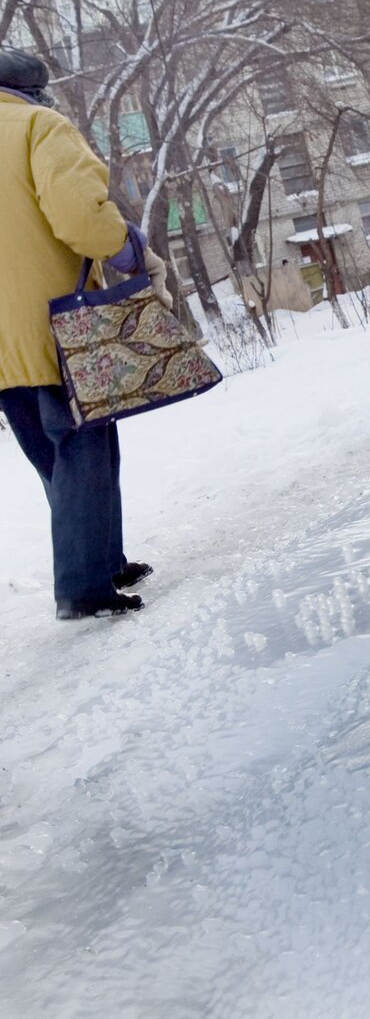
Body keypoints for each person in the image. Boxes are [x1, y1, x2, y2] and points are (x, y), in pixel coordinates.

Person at [0, 47, 167, 620]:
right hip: (50, 326)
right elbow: (78, 215)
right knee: (82, 445)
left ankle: (102, 559)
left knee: (59, 456)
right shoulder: (38, 127)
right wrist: (129, 250)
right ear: (30, 92)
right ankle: (83, 589)